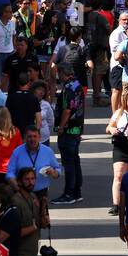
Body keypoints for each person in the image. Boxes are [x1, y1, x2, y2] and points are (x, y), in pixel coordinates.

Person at [8, 125, 62, 223]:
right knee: (24, 221)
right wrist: (16, 187)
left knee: (42, 221)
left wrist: (54, 173)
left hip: (41, 193)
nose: (32, 139)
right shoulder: (17, 152)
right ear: (24, 137)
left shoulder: (47, 151)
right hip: (23, 192)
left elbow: (58, 170)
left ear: (39, 137)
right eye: (29, 137)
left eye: (34, 136)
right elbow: (9, 173)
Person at [52, 76, 86, 205]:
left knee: (69, 163)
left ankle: (69, 193)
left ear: (62, 73)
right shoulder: (77, 85)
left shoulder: (68, 88)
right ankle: (76, 192)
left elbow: (67, 110)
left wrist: (61, 127)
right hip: (76, 129)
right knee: (75, 161)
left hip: (68, 130)